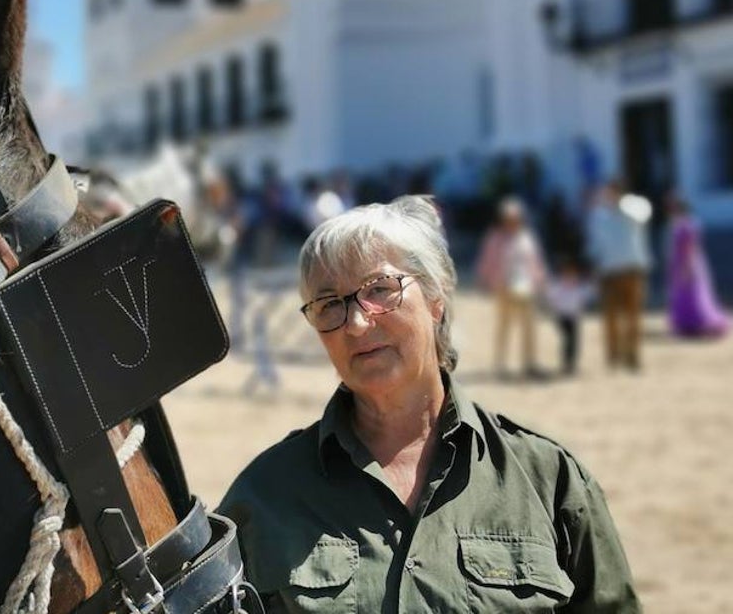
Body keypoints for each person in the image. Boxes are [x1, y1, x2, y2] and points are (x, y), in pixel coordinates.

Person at [218, 196, 639, 613]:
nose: (358, 323)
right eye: (330, 305)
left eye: (380, 290)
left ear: (436, 299)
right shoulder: (262, 497)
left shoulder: (549, 482)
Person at [474, 197, 548, 378]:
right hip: (504, 286)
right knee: (504, 325)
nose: (512, 222)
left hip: (526, 286)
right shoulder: (495, 238)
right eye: (509, 218)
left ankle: (529, 363)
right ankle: (501, 365)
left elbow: (535, 261)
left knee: (529, 325)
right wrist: (484, 279)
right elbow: (487, 260)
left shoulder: (526, 237)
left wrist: (540, 280)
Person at [586, 179, 652, 370]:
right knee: (611, 317)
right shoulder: (599, 215)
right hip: (608, 271)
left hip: (632, 269)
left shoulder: (635, 208)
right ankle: (613, 356)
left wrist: (622, 203)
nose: (610, 196)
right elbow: (595, 243)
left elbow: (643, 216)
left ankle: (633, 355)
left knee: (633, 316)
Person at [666, 195, 728, 338]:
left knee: (691, 293)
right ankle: (687, 324)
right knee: (685, 293)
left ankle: (697, 323)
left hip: (687, 262)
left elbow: (690, 247)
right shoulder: (681, 222)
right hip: (682, 261)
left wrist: (687, 266)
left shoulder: (686, 224)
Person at [545, 257, 594, 375]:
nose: (570, 275)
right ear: (561, 273)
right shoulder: (558, 286)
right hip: (561, 317)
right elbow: (549, 296)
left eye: (572, 273)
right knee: (568, 340)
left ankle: (572, 364)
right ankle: (566, 363)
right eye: (566, 273)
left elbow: (590, 293)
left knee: (575, 341)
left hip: (574, 318)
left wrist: (591, 280)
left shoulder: (579, 287)